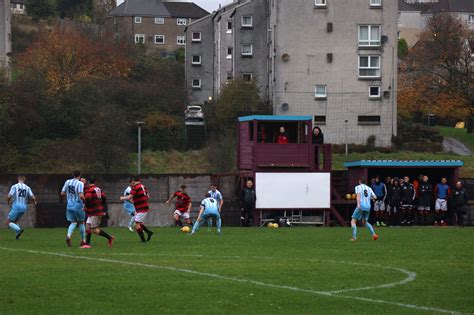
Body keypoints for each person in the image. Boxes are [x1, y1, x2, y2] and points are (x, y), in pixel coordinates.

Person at [120, 176, 154, 242]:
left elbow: (129, 197)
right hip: (141, 207)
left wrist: (122, 198)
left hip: (141, 208)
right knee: (139, 223)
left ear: (133, 181)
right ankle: (149, 232)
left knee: (136, 225)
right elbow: (148, 197)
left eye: (131, 182)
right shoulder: (143, 186)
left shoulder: (135, 187)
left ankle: (143, 240)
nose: (131, 183)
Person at [84, 178, 114, 248]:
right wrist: (100, 206)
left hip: (94, 212)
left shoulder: (89, 189)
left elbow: (88, 199)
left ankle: (109, 237)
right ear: (95, 182)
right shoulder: (99, 189)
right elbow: (104, 198)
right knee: (87, 228)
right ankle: (87, 244)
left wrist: (85, 206)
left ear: (88, 182)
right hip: (94, 211)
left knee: (94, 230)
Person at [61, 170, 87, 247]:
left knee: (73, 222)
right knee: (81, 222)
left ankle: (68, 236)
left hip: (69, 205)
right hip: (78, 205)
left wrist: (69, 195)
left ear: (72, 174)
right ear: (80, 175)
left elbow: (62, 193)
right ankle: (83, 240)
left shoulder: (67, 182)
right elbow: (81, 196)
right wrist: (86, 202)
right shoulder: (80, 183)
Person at [6, 176, 37, 240]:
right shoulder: (27, 187)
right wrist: (35, 202)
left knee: (8, 222)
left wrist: (8, 202)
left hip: (16, 207)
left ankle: (19, 230)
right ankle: (18, 236)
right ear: (24, 179)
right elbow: (33, 197)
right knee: (15, 221)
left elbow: (9, 196)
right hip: (24, 208)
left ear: (18, 179)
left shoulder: (14, 186)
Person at [350, 177, 378, 241]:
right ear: (365, 182)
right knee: (365, 222)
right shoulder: (369, 188)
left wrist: (358, 204)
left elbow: (358, 195)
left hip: (361, 205)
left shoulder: (358, 187)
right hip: (368, 207)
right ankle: (374, 234)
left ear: (360, 181)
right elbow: (375, 197)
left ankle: (354, 238)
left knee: (353, 221)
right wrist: (369, 198)